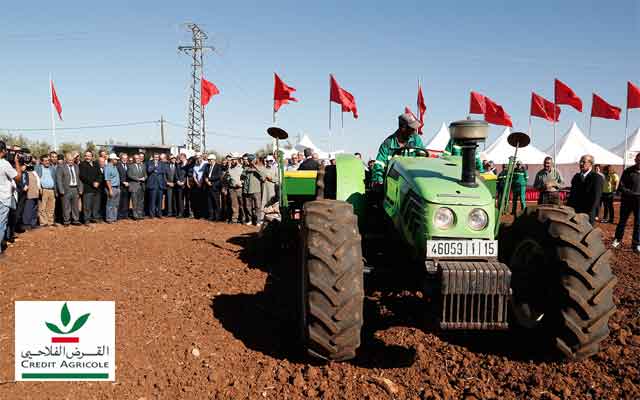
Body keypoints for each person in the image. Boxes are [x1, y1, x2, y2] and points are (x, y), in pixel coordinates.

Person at [371, 112, 424, 185]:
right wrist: (379, 180)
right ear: (403, 128)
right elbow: (379, 164)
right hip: (392, 183)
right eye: (412, 128)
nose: (414, 131)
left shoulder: (416, 140)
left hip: (412, 182)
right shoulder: (387, 143)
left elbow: (423, 160)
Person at [612, 153, 640, 253]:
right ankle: (617, 239)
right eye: (638, 160)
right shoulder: (628, 171)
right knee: (622, 221)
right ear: (635, 160)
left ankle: (636, 244)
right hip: (627, 201)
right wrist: (631, 193)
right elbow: (621, 187)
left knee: (638, 223)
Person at [567, 154, 603, 225]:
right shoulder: (576, 177)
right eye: (580, 162)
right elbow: (572, 195)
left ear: (591, 164)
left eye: (583, 162)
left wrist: (590, 214)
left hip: (588, 214)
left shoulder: (596, 178)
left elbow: (596, 198)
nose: (581, 164)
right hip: (575, 213)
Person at [0, 141, 22, 257]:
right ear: (3, 151)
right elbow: (18, 177)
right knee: (1, 224)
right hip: (3, 198)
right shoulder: (4, 164)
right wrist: (17, 162)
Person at [56, 152, 82, 226]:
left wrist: (80, 188)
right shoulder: (61, 167)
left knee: (75, 206)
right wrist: (61, 190)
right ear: (66, 160)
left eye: (72, 160)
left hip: (75, 189)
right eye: (69, 160)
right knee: (66, 206)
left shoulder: (76, 166)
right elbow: (59, 179)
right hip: (66, 189)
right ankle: (66, 221)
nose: (71, 161)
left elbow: (79, 178)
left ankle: (75, 220)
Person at [78, 151, 101, 223]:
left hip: (97, 188)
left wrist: (98, 182)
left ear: (92, 156)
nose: (87, 157)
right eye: (86, 156)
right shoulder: (82, 164)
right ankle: (86, 219)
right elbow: (83, 176)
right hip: (87, 188)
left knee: (96, 205)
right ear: (84, 157)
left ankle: (95, 218)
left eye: (89, 156)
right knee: (87, 206)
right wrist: (92, 183)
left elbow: (99, 174)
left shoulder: (96, 164)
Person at [242, 154, 264, 225]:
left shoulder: (259, 168)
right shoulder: (245, 168)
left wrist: (255, 168)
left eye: (251, 160)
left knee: (257, 206)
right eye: (249, 160)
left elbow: (263, 177)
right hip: (247, 189)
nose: (250, 161)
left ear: (255, 160)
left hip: (256, 190)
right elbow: (242, 177)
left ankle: (258, 221)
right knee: (248, 206)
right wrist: (247, 170)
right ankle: (250, 219)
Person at [35, 154, 57, 227]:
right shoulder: (38, 168)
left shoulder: (52, 168)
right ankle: (43, 222)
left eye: (48, 160)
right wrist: (39, 188)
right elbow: (36, 178)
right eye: (45, 161)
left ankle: (50, 221)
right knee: (42, 207)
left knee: (51, 207)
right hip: (43, 189)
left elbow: (55, 179)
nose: (47, 162)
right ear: (42, 162)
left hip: (51, 190)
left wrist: (55, 190)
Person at [224, 154, 244, 224]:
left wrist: (241, 183)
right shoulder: (229, 169)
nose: (232, 161)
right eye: (232, 160)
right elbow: (227, 178)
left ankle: (243, 219)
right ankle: (234, 219)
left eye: (234, 159)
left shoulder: (242, 168)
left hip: (240, 188)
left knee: (242, 204)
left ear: (237, 160)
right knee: (234, 205)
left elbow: (244, 178)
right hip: (232, 188)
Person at [203, 154, 223, 221]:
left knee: (216, 203)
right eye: (208, 160)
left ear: (214, 160)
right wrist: (206, 180)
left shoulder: (218, 166)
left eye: (210, 160)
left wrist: (209, 179)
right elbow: (205, 174)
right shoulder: (207, 166)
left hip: (215, 187)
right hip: (208, 187)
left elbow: (218, 176)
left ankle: (217, 217)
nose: (209, 161)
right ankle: (211, 216)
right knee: (210, 202)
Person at [146, 153, 166, 218]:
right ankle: (152, 214)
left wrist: (156, 170)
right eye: (155, 157)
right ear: (153, 157)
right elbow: (149, 170)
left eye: (157, 157)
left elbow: (163, 171)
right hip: (152, 185)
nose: (156, 158)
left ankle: (159, 214)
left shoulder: (162, 163)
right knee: (152, 201)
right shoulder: (149, 163)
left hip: (160, 185)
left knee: (160, 201)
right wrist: (155, 166)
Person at [127, 154, 147, 220]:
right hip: (134, 186)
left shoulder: (143, 166)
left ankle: (140, 214)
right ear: (134, 159)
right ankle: (135, 215)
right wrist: (138, 179)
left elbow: (146, 174)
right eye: (136, 158)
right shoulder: (130, 166)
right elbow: (129, 175)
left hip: (142, 186)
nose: (138, 159)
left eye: (139, 158)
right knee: (134, 201)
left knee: (141, 201)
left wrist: (144, 178)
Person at [103, 154, 121, 223]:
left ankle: (114, 218)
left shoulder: (114, 166)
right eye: (116, 159)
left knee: (115, 204)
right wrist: (110, 190)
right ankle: (109, 218)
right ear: (112, 160)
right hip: (111, 188)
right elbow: (107, 180)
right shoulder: (107, 167)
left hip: (117, 188)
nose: (117, 160)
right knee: (110, 204)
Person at [116, 153, 130, 219]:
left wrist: (129, 183)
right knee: (120, 201)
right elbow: (117, 176)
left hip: (128, 186)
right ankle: (119, 215)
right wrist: (123, 182)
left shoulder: (128, 165)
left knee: (126, 201)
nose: (125, 160)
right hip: (120, 186)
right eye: (123, 158)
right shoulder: (117, 166)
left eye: (126, 158)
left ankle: (125, 214)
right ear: (121, 159)